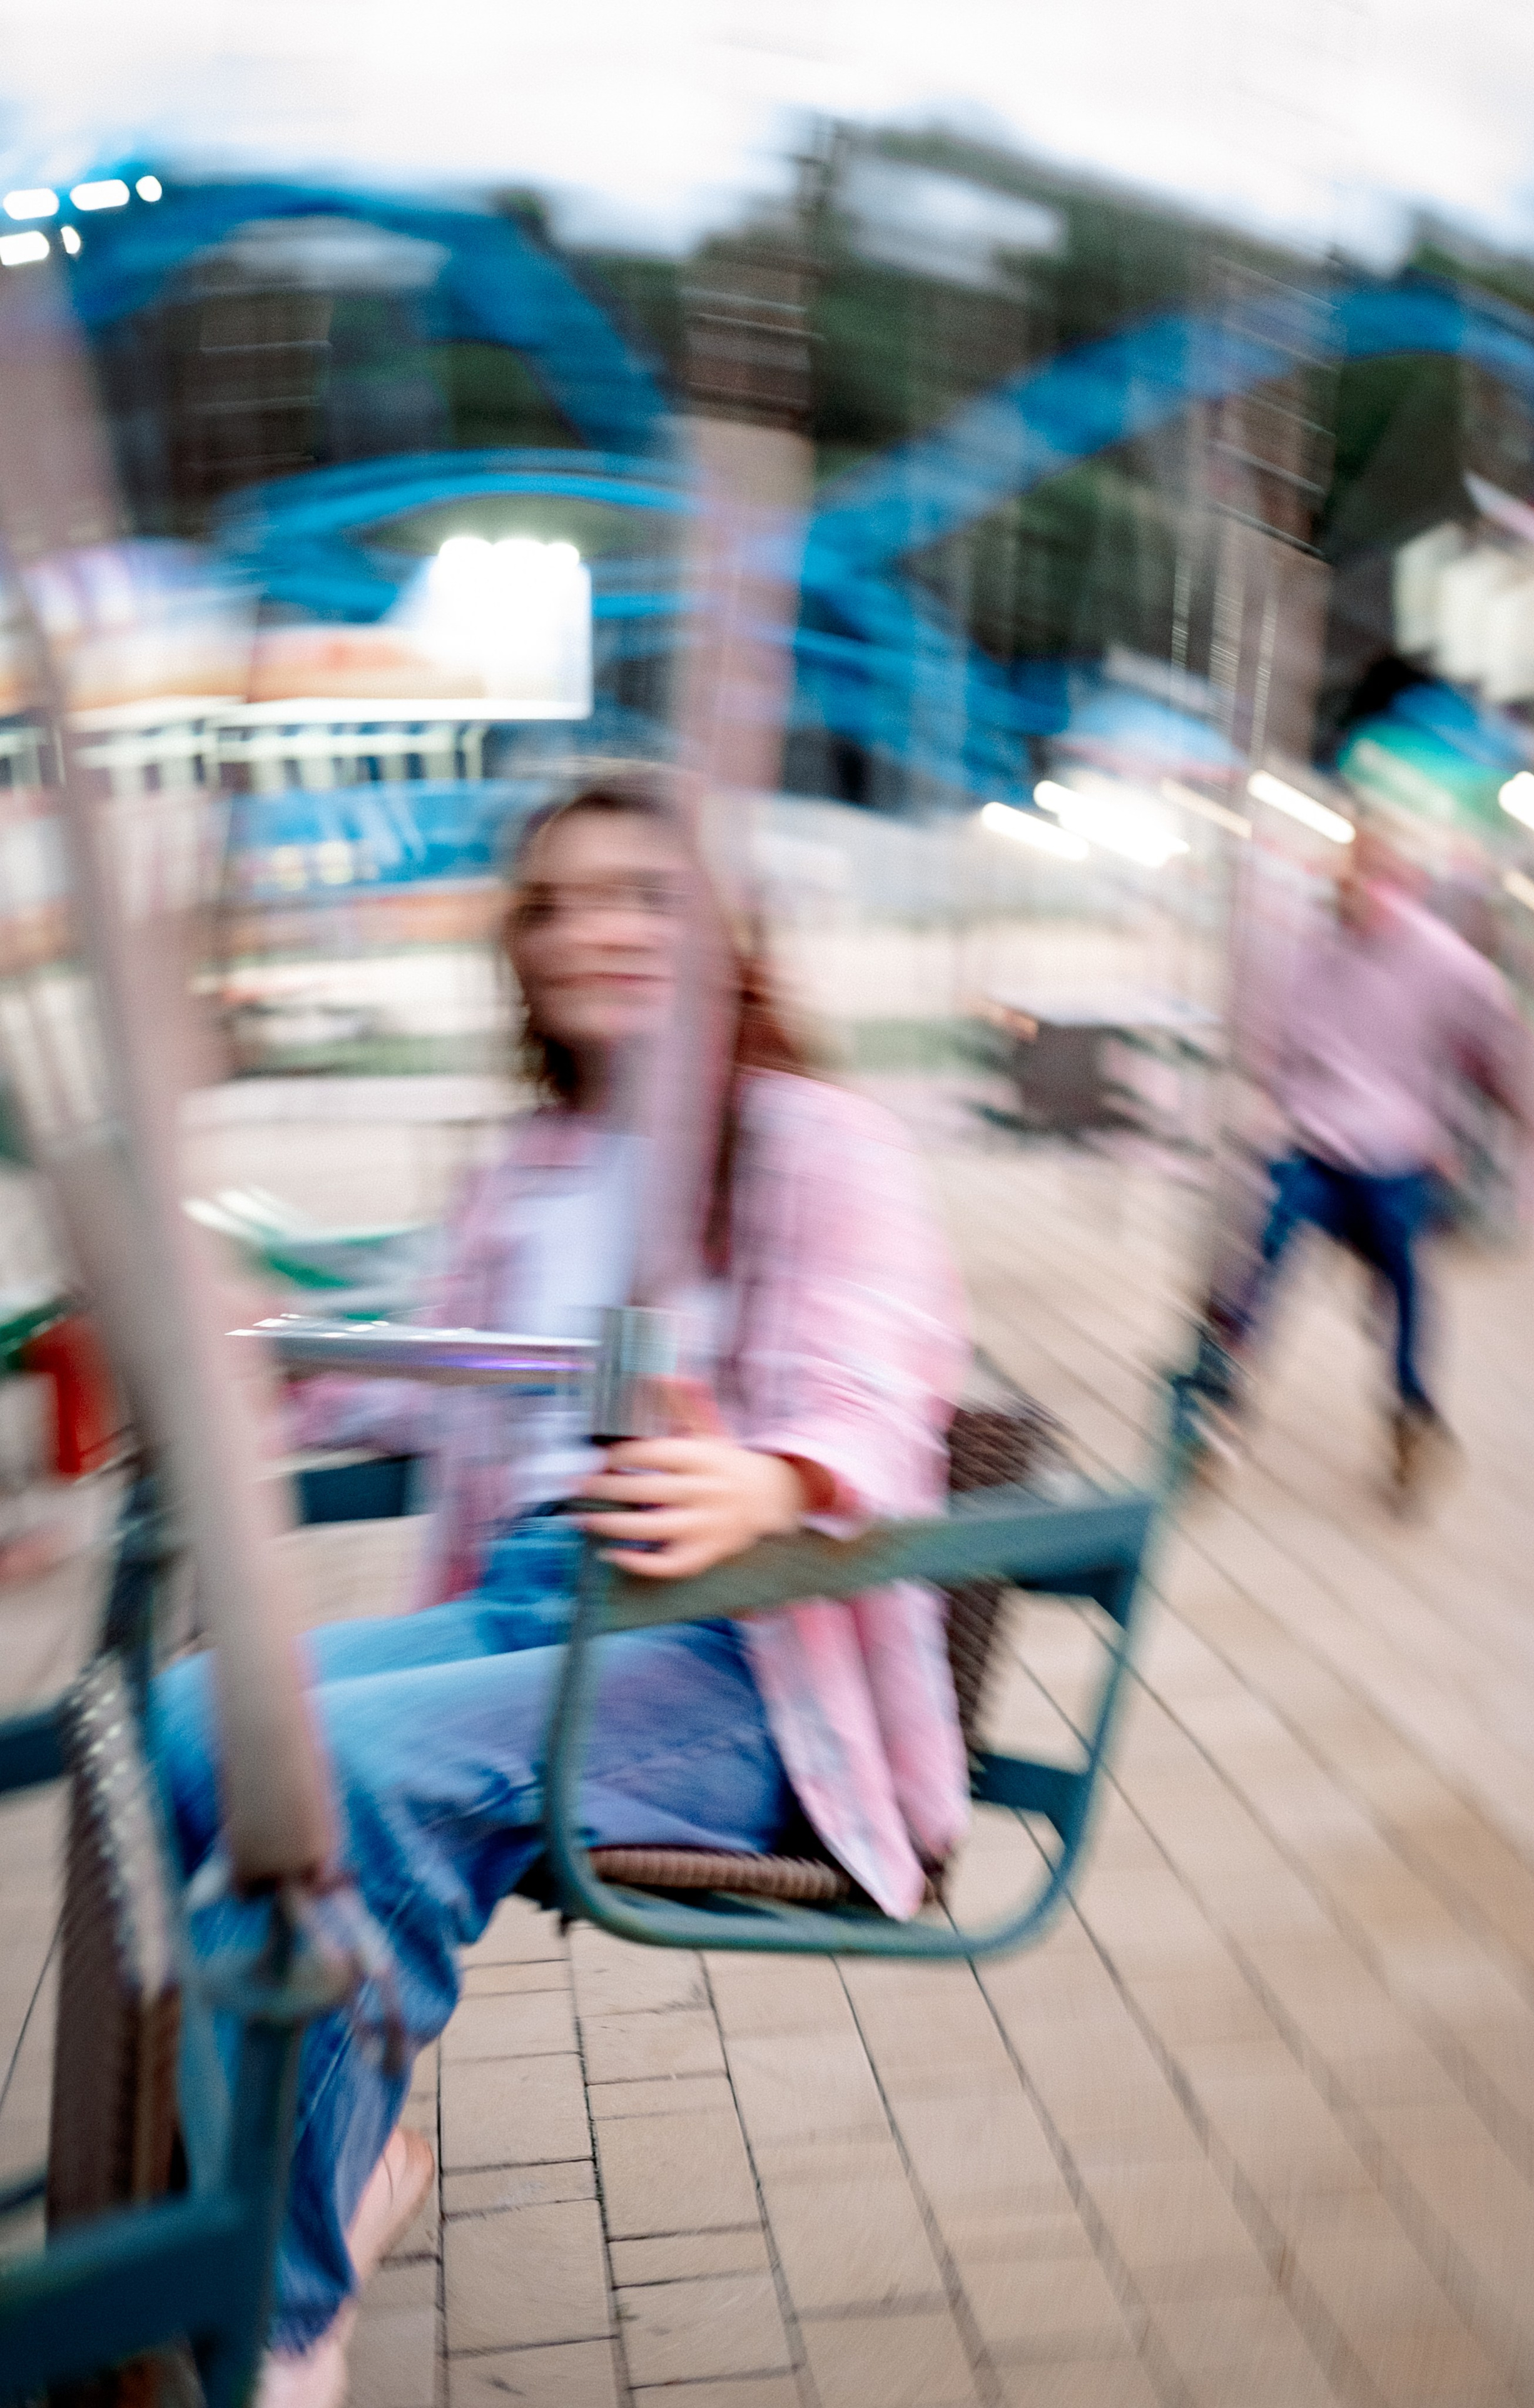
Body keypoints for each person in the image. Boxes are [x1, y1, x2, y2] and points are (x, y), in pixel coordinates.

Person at [153, 775, 970, 2407]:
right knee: (194, 1718)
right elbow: (433, 1377)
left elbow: (879, 1368)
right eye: (560, 903)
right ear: (521, 951)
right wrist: (260, 1357)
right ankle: (340, 2158)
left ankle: (278, 2318)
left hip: (727, 1653)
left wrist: (780, 1473)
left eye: (645, 895)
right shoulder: (534, 1166)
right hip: (530, 1611)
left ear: (724, 932)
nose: (598, 928)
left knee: (351, 1780)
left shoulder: (812, 1141)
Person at [1189, 822, 1528, 1502]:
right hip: (1314, 1146)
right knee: (1261, 1264)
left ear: (1395, 885)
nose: (1347, 895)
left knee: (1401, 1287)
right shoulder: (1314, 952)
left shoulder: (1441, 959)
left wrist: (1492, 1122)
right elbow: (1282, 1043)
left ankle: (1410, 1413)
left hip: (1395, 1158)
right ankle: (1218, 1409)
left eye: (1360, 879)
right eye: (1341, 882)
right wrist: (1278, 1103)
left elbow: (1493, 1036)